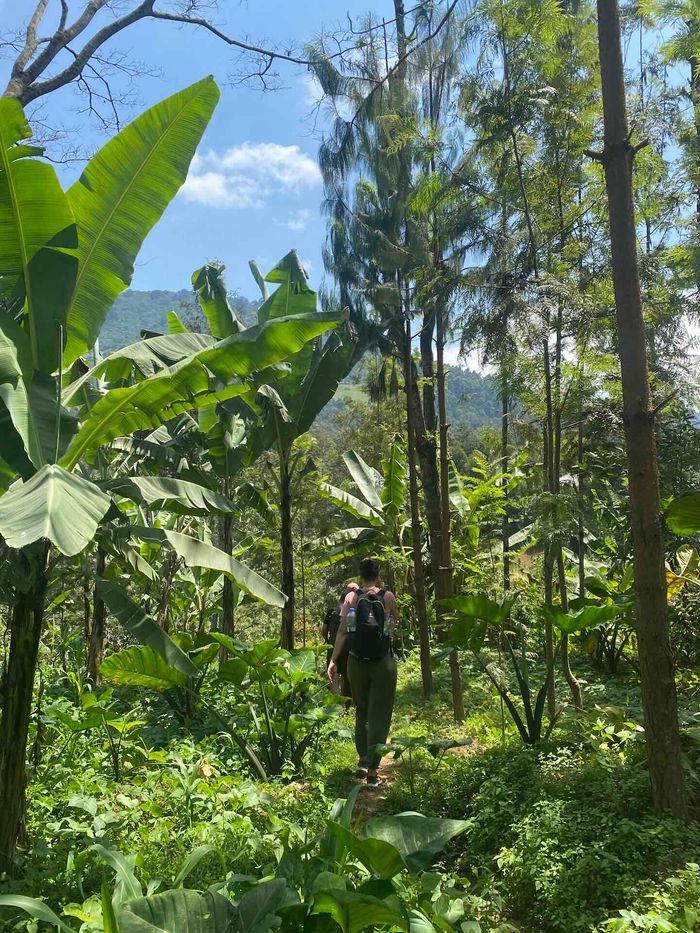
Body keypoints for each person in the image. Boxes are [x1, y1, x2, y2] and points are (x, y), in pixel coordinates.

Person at [327, 558, 398, 787]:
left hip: (356, 663)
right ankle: (374, 771)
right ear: (378, 576)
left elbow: (343, 632)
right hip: (382, 663)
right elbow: (394, 624)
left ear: (361, 577)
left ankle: (362, 760)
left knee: (362, 710)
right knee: (380, 712)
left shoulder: (351, 598)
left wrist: (333, 660)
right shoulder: (387, 597)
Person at [322, 583, 357, 698]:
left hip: (332, 646)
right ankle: (345, 702)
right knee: (346, 675)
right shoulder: (354, 611)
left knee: (333, 674)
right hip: (346, 647)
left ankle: (336, 700)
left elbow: (324, 630)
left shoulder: (331, 611)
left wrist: (327, 639)